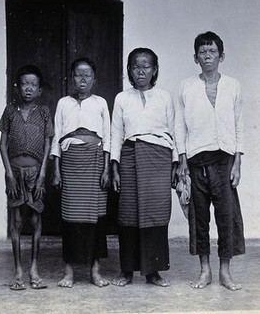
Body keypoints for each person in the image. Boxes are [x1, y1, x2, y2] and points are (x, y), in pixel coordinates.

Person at [175, 31, 245, 291]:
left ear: (221, 56)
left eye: (212, 51)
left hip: (224, 159)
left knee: (226, 217)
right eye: (202, 52)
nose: (207, 56)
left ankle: (225, 272)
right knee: (199, 218)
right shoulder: (186, 86)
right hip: (195, 160)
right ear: (195, 58)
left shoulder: (233, 86)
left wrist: (238, 161)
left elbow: (239, 125)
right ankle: (204, 271)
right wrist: (182, 160)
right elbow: (179, 126)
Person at [111, 47, 177, 287]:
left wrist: (176, 163)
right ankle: (127, 270)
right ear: (129, 70)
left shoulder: (165, 97)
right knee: (128, 213)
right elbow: (116, 133)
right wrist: (115, 165)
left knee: (156, 214)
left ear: (155, 69)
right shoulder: (122, 98)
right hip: (129, 155)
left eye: (146, 66)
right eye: (136, 66)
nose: (141, 71)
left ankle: (153, 271)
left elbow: (174, 130)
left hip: (159, 157)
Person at [51, 57, 110, 288]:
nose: (82, 79)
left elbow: (107, 138)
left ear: (94, 79)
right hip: (70, 164)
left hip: (95, 164)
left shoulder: (101, 103)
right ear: (71, 78)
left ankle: (96, 271)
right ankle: (69, 272)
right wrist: (56, 170)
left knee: (96, 219)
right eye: (78, 74)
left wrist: (106, 169)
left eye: (87, 75)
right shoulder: (63, 103)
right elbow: (56, 138)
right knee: (70, 219)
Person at [0, 65, 54, 290]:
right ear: (17, 87)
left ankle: (34, 270)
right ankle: (18, 271)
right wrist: (9, 175)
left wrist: (42, 176)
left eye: (33, 84)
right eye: (24, 84)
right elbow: (2, 145)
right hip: (14, 172)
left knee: (35, 220)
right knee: (17, 221)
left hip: (35, 173)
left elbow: (48, 143)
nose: (28, 88)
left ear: (39, 90)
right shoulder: (10, 111)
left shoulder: (43, 112)